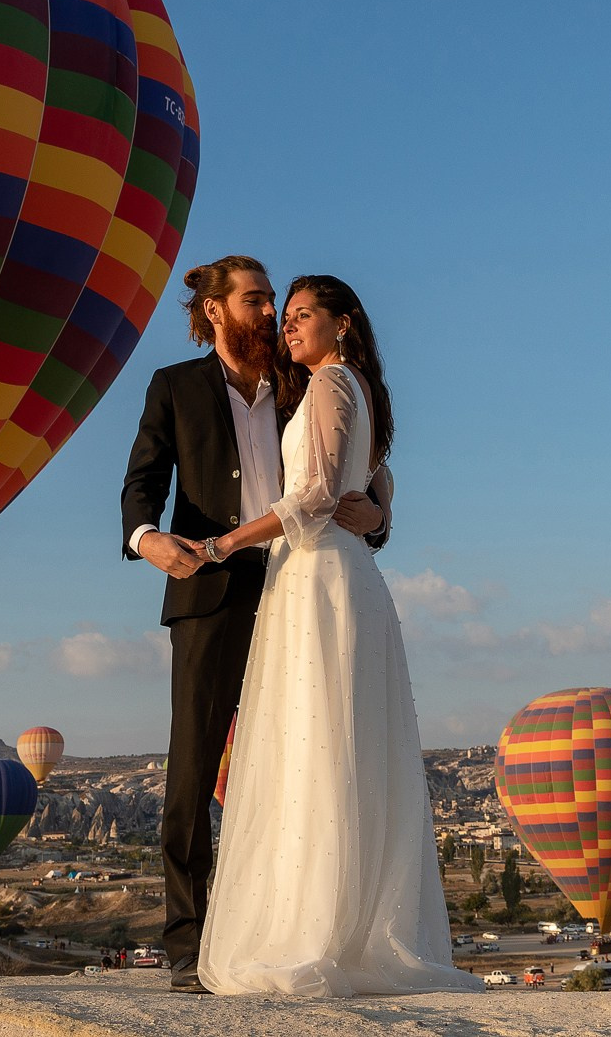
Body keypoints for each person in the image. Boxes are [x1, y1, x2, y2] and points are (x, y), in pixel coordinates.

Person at [194, 276, 479, 996]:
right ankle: (347, 930)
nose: (289, 327)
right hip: (334, 576)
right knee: (339, 747)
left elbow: (317, 496)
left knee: (313, 745)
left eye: (302, 315)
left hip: (316, 576)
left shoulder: (329, 384)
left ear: (341, 322)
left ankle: (314, 930)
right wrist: (378, 519)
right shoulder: (352, 387)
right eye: (283, 316)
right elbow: (379, 487)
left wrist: (226, 541)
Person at [121, 256, 389, 993]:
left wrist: (381, 509)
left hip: (299, 590)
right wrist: (148, 539)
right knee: (193, 769)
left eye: (276, 300)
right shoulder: (174, 386)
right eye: (256, 299)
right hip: (209, 592)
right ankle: (187, 943)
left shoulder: (305, 379)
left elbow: (362, 458)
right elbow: (143, 478)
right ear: (214, 310)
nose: (271, 312)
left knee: (298, 764)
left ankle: (290, 927)